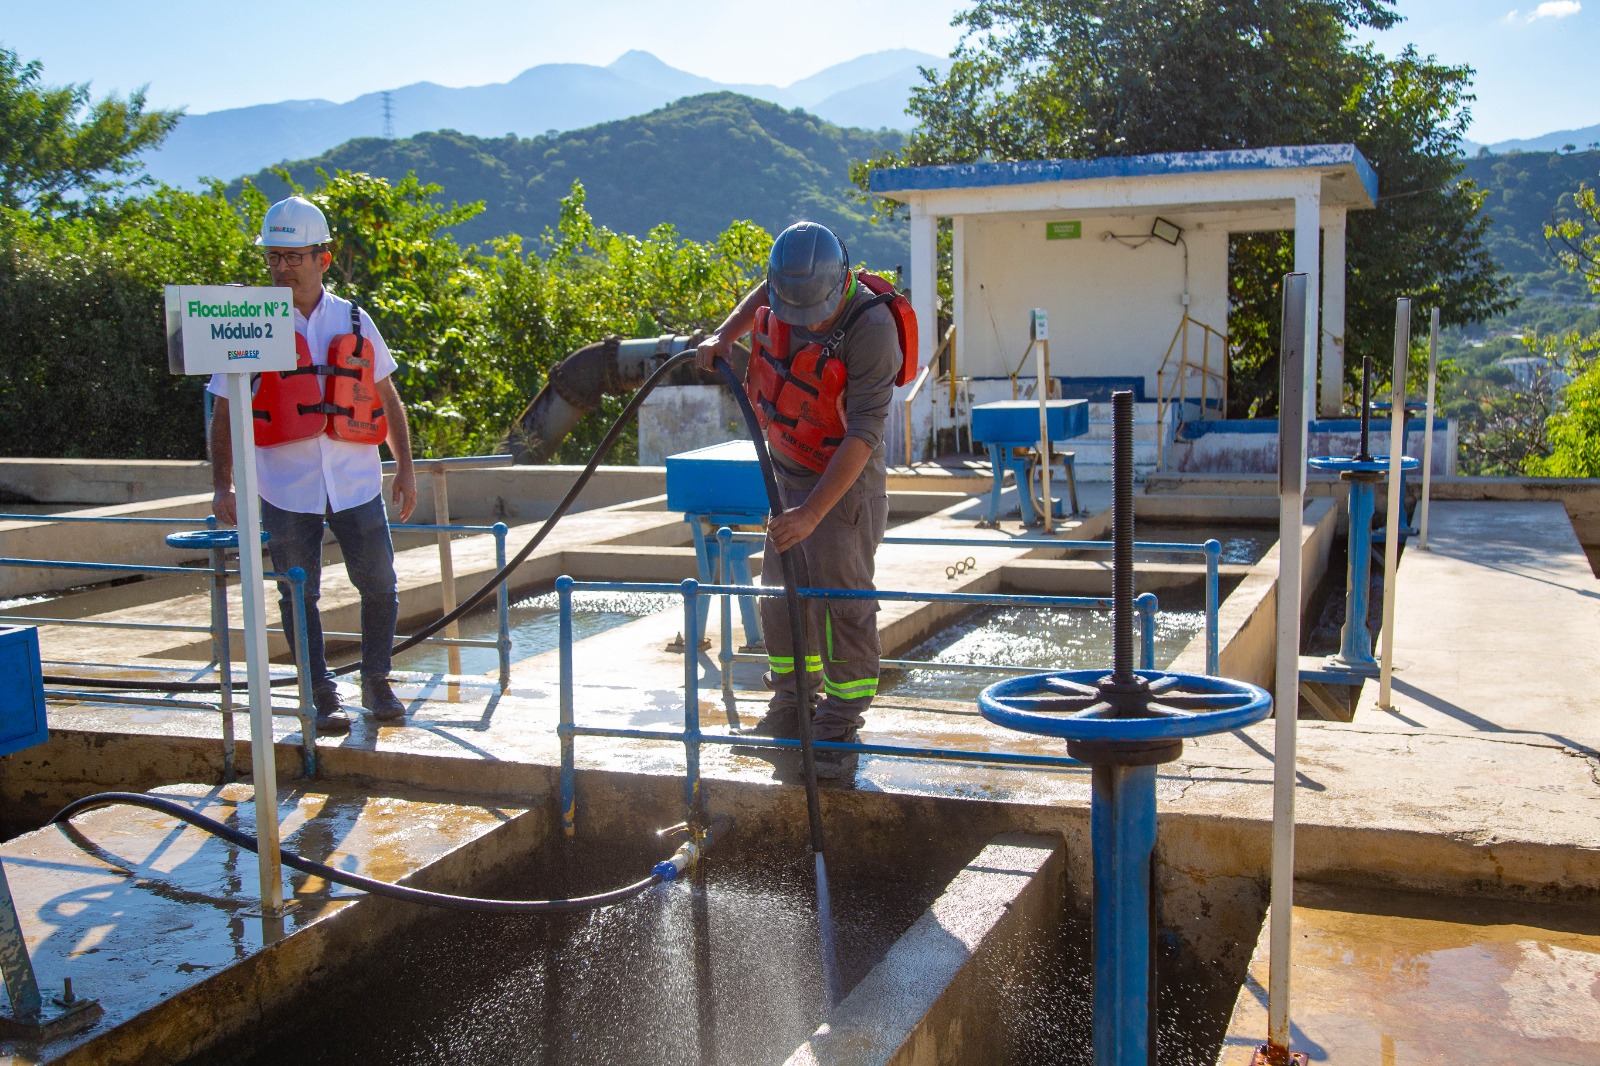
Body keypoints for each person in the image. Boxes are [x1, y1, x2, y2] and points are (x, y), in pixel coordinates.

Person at [695, 221, 900, 779]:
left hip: (842, 486)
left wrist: (812, 514)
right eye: (795, 308)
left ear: (840, 282)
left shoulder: (872, 328)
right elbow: (766, 294)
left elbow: (864, 433)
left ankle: (839, 721)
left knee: (842, 602)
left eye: (816, 311)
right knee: (781, 596)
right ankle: (791, 704)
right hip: (786, 473)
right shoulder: (789, 287)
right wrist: (725, 336)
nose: (806, 322)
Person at [208, 195, 417, 735]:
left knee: (380, 585)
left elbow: (386, 396)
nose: (281, 267)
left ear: (321, 259)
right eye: (273, 257)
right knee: (298, 593)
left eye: (292, 256)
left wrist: (405, 467)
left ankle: (377, 682)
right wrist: (223, 484)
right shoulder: (250, 320)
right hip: (285, 486)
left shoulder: (354, 318)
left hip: (356, 482)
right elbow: (224, 409)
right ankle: (321, 693)